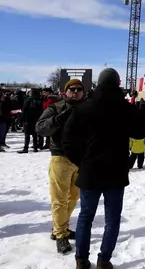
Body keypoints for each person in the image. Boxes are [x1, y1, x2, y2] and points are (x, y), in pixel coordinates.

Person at [63, 68, 145, 269]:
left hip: (90, 170)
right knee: (112, 219)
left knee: (85, 216)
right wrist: (142, 111)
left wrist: (81, 161)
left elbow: (67, 140)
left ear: (99, 83)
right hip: (115, 171)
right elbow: (138, 133)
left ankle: (81, 260)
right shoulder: (126, 109)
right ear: (117, 83)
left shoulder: (84, 107)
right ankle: (104, 261)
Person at [35, 79, 86, 254]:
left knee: (73, 197)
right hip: (60, 158)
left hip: (80, 160)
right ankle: (60, 234)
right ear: (65, 91)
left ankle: (60, 226)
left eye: (80, 89)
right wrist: (56, 120)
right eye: (73, 89)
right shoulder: (56, 107)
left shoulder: (86, 108)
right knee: (59, 199)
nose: (76, 92)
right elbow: (40, 128)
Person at [19, 88, 44, 153]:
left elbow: (24, 110)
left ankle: (26, 148)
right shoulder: (40, 100)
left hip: (27, 119)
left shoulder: (27, 100)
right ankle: (35, 147)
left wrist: (21, 120)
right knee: (34, 134)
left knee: (27, 135)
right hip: (36, 119)